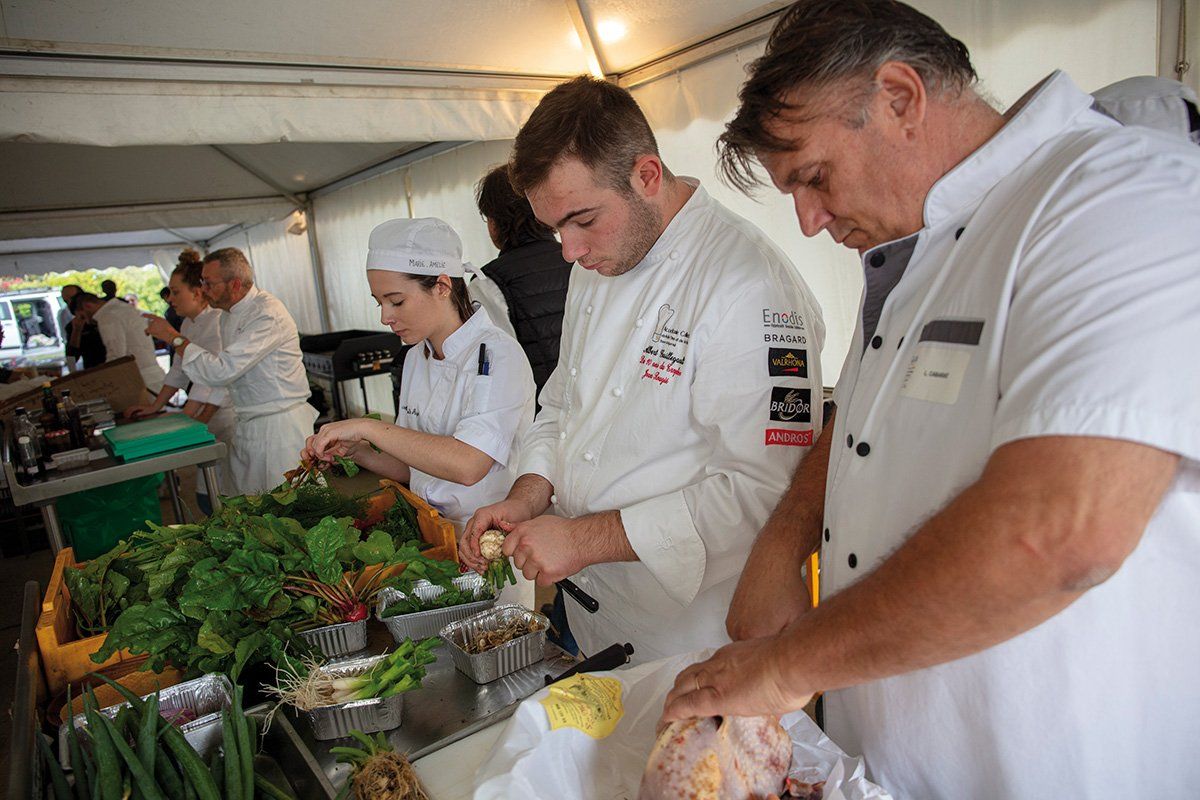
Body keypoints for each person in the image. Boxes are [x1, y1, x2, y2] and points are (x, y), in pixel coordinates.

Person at [659, 2, 1200, 798]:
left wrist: (782, 666)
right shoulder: (920, 242)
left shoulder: (1113, 195)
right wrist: (784, 542)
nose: (809, 222)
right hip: (881, 760)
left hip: (1040, 764)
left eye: (812, 178)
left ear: (901, 97)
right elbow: (865, 415)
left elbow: (1062, 532)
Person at [461, 77, 825, 664]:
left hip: (687, 635)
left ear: (647, 175)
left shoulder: (750, 286)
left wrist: (582, 539)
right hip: (591, 604)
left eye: (582, 220)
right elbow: (563, 403)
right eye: (555, 229)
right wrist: (529, 495)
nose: (569, 251)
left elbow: (763, 489)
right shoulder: (594, 266)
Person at [302, 218, 537, 607]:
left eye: (396, 301)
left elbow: (467, 465)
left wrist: (367, 428)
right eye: (379, 303)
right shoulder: (415, 359)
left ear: (442, 286)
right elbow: (415, 470)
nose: (385, 317)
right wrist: (358, 452)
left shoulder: (496, 356)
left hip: (485, 545)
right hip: (429, 535)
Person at [143, 247, 317, 495]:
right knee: (251, 503)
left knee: (289, 505)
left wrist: (174, 339)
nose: (203, 289)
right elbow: (210, 372)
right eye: (201, 281)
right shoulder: (226, 316)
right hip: (249, 422)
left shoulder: (266, 314)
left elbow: (221, 371)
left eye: (208, 283)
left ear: (235, 285)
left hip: (278, 427)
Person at [127, 259, 234, 511]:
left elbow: (217, 378)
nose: (170, 299)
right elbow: (179, 371)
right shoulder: (188, 324)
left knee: (224, 492)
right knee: (207, 492)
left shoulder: (217, 322)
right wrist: (156, 406)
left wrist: (194, 419)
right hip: (202, 414)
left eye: (176, 292)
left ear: (197, 293)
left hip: (224, 416)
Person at [469, 165, 573, 397]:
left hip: (536, 415)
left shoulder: (487, 282)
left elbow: (495, 366)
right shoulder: (581, 258)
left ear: (494, 223)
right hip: (594, 405)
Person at [72, 292, 165, 394]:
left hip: (140, 379)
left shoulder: (108, 316)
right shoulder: (123, 308)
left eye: (83, 316)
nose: (87, 322)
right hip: (152, 375)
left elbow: (116, 356)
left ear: (87, 306)